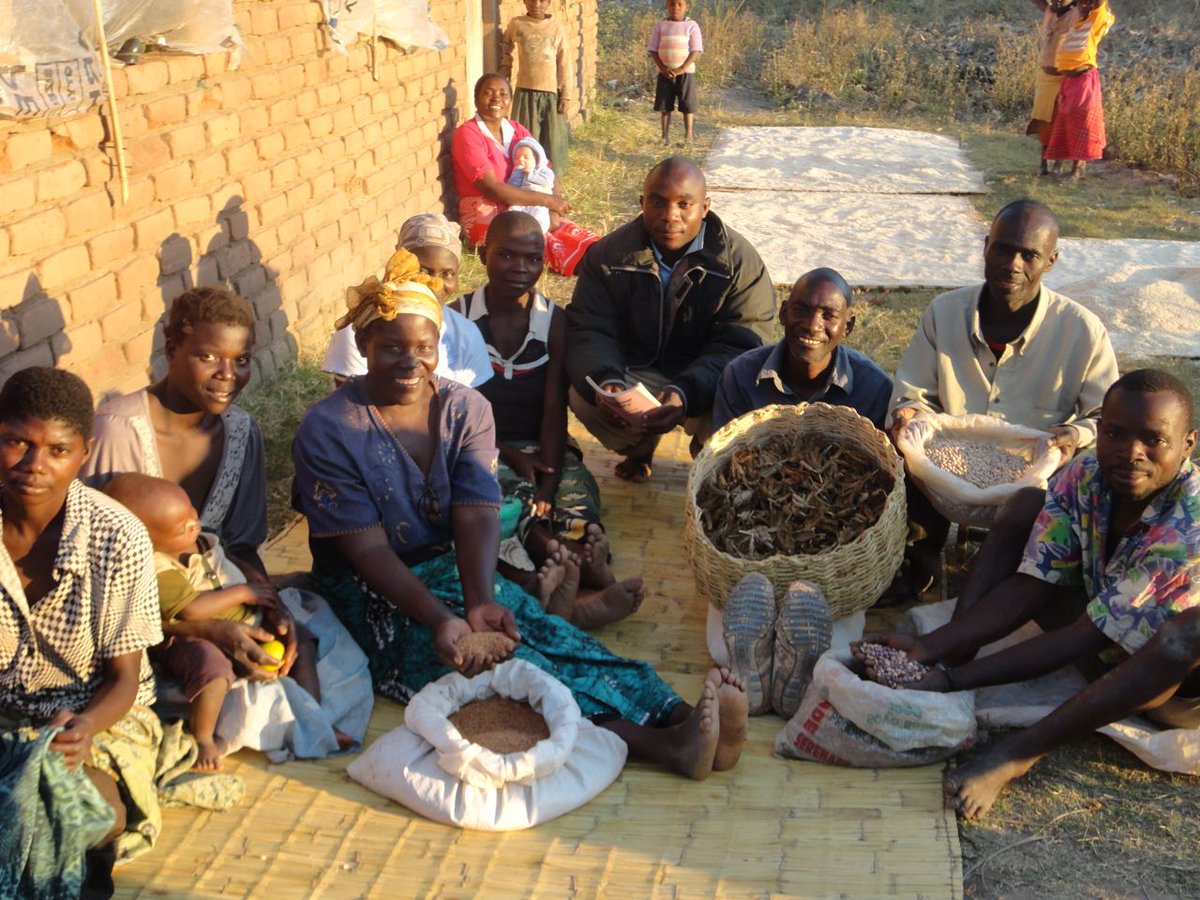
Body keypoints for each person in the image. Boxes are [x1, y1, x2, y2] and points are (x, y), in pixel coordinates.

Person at [293, 262, 749, 780]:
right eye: (391, 347)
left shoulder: (464, 408)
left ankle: (681, 716)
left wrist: (480, 597)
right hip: (369, 593)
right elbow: (368, 551)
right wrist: (443, 619)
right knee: (511, 670)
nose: (410, 361)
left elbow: (476, 510)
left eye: (423, 347)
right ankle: (659, 746)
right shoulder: (329, 427)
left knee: (549, 634)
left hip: (445, 566)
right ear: (364, 345)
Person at [857, 369, 1200, 821]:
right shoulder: (1086, 475)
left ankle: (1017, 753)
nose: (1131, 452)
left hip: (1170, 687)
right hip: (1105, 634)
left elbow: (1088, 635)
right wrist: (933, 647)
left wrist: (956, 683)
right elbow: (1033, 581)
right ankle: (957, 656)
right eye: (1115, 433)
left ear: (1187, 445)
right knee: (1025, 504)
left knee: (1184, 635)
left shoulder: (1188, 526)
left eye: (1153, 440)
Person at [888, 199, 1119, 594]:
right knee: (892, 452)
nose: (1013, 264)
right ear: (985, 246)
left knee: (1099, 480)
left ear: (1051, 261)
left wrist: (1072, 437)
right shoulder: (944, 313)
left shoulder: (1082, 330)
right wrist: (909, 416)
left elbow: (1105, 417)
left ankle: (1026, 577)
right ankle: (918, 565)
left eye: (1029, 254)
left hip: (1037, 475)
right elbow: (912, 393)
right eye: (1003, 248)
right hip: (943, 469)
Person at [83, 286, 299, 683]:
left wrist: (272, 607)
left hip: (218, 598)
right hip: (122, 627)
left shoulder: (240, 433)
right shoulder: (118, 433)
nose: (227, 375)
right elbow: (90, 574)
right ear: (171, 351)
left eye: (242, 360)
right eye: (208, 357)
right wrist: (197, 628)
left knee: (307, 647)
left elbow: (243, 545)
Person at [0, 367, 162, 894]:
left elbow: (125, 680)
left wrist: (84, 728)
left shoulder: (117, 537)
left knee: (82, 811)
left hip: (95, 717)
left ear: (84, 453)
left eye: (57, 450)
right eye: (16, 443)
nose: (34, 465)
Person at [452, 211, 644, 628]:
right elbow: (454, 413)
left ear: (545, 260)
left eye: (533, 258)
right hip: (479, 448)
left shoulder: (554, 321)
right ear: (484, 254)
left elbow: (554, 407)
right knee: (499, 504)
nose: (521, 269)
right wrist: (514, 461)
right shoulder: (460, 318)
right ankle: (568, 565)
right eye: (506, 255)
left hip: (543, 446)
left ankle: (574, 560)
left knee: (578, 499)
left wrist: (551, 476)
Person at [566, 156, 776, 481]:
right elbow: (590, 327)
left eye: (684, 204)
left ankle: (707, 462)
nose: (669, 216)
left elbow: (742, 344)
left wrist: (685, 392)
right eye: (657, 202)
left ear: (704, 208)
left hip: (706, 380)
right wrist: (607, 382)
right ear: (641, 202)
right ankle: (638, 447)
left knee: (740, 409)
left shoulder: (739, 263)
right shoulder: (608, 255)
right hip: (638, 371)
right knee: (582, 395)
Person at [101, 473, 329, 771]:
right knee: (212, 668)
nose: (193, 524)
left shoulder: (200, 539)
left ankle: (313, 717)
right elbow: (191, 610)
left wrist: (259, 588)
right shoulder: (156, 567)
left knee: (303, 641)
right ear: (145, 540)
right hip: (196, 637)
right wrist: (244, 592)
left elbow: (232, 560)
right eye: (181, 526)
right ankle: (204, 737)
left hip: (249, 620)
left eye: (192, 513)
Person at [323, 212, 492, 390]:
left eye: (447, 274)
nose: (435, 284)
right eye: (423, 271)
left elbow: (469, 407)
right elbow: (349, 406)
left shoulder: (465, 334)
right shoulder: (359, 330)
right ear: (399, 265)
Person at [713, 267, 892, 431]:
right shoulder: (740, 377)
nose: (812, 326)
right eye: (801, 310)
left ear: (848, 326)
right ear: (783, 313)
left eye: (829, 315)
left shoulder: (874, 389)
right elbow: (724, 456)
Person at [451, 73, 570, 248]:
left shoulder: (516, 130)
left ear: (510, 101)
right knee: (525, 242)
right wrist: (546, 200)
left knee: (571, 238)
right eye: (488, 93)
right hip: (487, 211)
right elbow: (492, 189)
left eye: (503, 94)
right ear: (476, 100)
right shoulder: (468, 134)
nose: (496, 99)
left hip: (528, 205)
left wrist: (554, 208)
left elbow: (545, 169)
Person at [1043, 0, 1114, 180]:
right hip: (1068, 80)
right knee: (1065, 121)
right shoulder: (1076, 22)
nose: (1082, 5)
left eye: (1086, 3)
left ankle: (1078, 169)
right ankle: (1063, 165)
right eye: (1080, 2)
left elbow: (1099, 3)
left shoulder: (1095, 20)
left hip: (1083, 78)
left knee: (1081, 123)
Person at [500, 0, 571, 174]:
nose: (536, 4)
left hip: (550, 93)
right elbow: (505, 45)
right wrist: (505, 67)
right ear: (524, 1)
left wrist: (566, 94)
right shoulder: (518, 24)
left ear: (548, 3)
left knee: (550, 138)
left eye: (542, 0)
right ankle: (526, 175)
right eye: (531, 0)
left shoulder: (556, 28)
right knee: (526, 135)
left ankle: (549, 178)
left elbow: (564, 62)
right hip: (525, 91)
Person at [1026, 0, 1076, 176]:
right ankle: (1043, 164)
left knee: (1061, 121)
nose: (1058, 1)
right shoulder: (1050, 10)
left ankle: (1059, 163)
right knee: (1043, 120)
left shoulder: (1076, 13)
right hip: (1046, 77)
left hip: (1066, 77)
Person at [648, 0, 703, 146]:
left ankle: (688, 138)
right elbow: (653, 50)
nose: (675, 8)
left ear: (687, 7)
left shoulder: (691, 26)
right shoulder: (660, 25)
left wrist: (681, 69)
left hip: (686, 73)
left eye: (680, 4)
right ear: (667, 6)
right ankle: (664, 138)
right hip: (665, 73)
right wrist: (663, 68)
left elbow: (695, 51)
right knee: (665, 106)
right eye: (672, 4)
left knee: (687, 106)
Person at [506, 137, 557, 233]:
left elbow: (547, 181)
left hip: (540, 202)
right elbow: (512, 186)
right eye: (517, 158)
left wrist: (530, 173)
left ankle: (537, 234)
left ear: (537, 159)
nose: (521, 160)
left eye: (526, 157)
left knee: (540, 216)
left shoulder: (544, 170)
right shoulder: (519, 172)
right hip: (522, 201)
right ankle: (514, 233)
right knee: (512, 211)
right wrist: (516, 173)